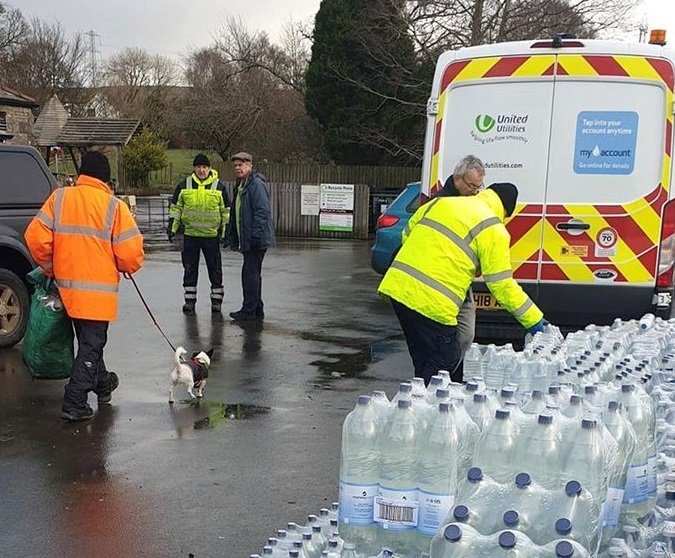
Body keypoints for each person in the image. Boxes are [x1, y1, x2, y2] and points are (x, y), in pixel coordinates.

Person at [378, 182, 547, 384]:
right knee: (444, 360)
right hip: (431, 303)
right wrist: (534, 320)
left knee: (424, 359)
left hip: (398, 288)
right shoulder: (492, 227)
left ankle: (415, 403)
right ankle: (422, 409)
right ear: (506, 210)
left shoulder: (442, 203)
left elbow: (406, 234)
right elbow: (501, 284)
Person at [24, 151, 144, 421]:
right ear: (105, 179)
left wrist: (51, 267)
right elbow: (130, 255)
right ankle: (74, 401)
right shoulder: (114, 207)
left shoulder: (60, 198)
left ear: (82, 175)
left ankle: (103, 384)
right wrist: (126, 267)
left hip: (65, 289)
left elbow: (35, 237)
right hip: (96, 296)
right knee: (91, 345)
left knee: (89, 342)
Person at [432, 155, 486, 373]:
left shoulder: (473, 202)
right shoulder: (440, 204)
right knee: (443, 336)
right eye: (472, 185)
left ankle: (449, 373)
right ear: (458, 179)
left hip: (461, 281)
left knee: (466, 335)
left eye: (479, 187)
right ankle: (441, 377)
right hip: (441, 280)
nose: (475, 191)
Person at [168, 154, 230, 314]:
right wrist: (172, 228)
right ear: (194, 168)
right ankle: (189, 301)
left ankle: (216, 301)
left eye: (204, 167)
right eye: (199, 167)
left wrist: (225, 232)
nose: (202, 170)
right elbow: (176, 209)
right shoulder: (184, 185)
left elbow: (225, 212)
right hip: (191, 235)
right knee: (189, 268)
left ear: (209, 168)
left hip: (211, 236)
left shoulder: (219, 187)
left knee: (215, 269)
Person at [226, 152, 275, 322]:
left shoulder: (255, 185)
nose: (238, 168)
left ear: (250, 165)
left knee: (250, 273)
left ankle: (249, 311)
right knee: (252, 273)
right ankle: (256, 308)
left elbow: (262, 212)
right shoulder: (241, 185)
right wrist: (232, 236)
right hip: (248, 238)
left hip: (256, 240)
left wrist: (255, 235)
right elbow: (236, 213)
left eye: (241, 165)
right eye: (236, 166)